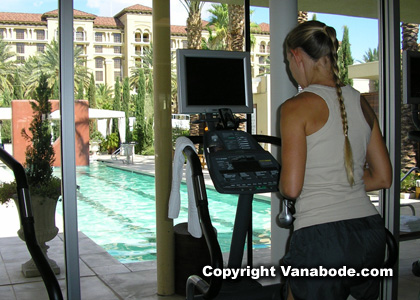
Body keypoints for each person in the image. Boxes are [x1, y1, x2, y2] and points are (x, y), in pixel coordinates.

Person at [279, 20, 392, 300]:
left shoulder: (295, 107)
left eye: (288, 61)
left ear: (297, 56)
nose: (291, 70)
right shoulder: (359, 100)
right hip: (369, 234)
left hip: (322, 239)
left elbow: (291, 188)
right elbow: (383, 177)